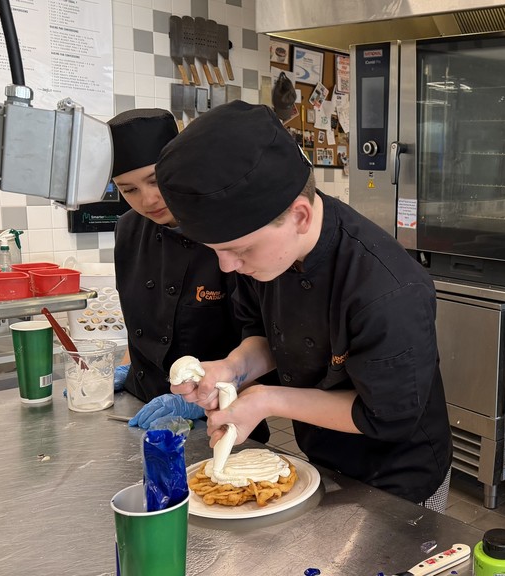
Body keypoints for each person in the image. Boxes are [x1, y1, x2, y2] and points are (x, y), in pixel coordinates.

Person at [154, 101, 453, 510]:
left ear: (299, 215)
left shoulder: (388, 288)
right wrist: (233, 369)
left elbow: (387, 416)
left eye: (238, 250)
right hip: (323, 460)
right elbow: (262, 332)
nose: (227, 265)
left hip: (400, 480)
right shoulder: (266, 256)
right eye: (216, 251)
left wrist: (266, 400)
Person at [107, 108, 269, 443]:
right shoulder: (126, 230)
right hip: (141, 410)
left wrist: (197, 400)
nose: (147, 199)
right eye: (128, 190)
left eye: (155, 180)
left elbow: (269, 339)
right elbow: (141, 323)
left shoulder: (230, 232)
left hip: (221, 417)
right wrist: (130, 370)